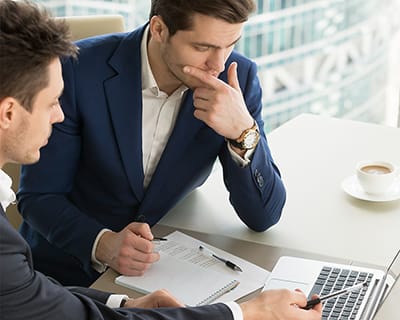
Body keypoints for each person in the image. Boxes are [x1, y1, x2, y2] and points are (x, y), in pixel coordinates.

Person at [0, 1, 322, 319]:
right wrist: (102, 244)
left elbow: (263, 216)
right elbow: (39, 196)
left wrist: (243, 131)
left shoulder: (237, 80)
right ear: (158, 29)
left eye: (230, 45)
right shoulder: (75, 69)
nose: (218, 64)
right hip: (61, 280)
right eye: (202, 47)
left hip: (169, 280)